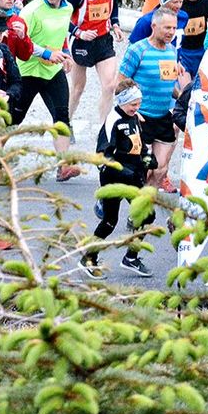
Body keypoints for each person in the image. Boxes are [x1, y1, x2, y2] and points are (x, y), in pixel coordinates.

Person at [84, 84, 154, 279]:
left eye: (139, 103)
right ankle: (89, 258)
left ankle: (131, 257)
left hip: (133, 177)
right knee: (110, 221)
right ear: (122, 102)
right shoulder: (113, 120)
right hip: (114, 178)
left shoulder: (134, 118)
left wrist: (147, 158)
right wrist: (122, 171)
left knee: (147, 216)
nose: (136, 108)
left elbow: (139, 145)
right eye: (133, 104)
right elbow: (102, 156)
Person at [14, 0, 78, 180]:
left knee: (62, 116)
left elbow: (62, 36)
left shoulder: (67, 8)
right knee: (14, 118)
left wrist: (66, 54)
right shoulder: (31, 11)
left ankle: (63, 166)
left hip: (52, 71)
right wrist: (48, 54)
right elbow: (22, 43)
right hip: (28, 71)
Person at [117, 8, 188, 184]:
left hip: (163, 117)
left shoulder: (172, 51)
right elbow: (120, 83)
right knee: (138, 168)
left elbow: (168, 83)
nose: (171, 32)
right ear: (154, 26)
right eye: (167, 28)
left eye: (174, 28)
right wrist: (131, 112)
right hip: (141, 116)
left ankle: (146, 199)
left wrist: (182, 98)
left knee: (160, 169)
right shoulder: (137, 50)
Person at [66, 0, 121, 128]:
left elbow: (113, 9)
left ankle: (104, 129)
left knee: (109, 86)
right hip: (81, 42)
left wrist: (116, 25)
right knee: (78, 88)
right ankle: (66, 121)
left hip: (103, 41)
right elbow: (62, 17)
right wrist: (79, 33)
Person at [0, 12, 22, 105]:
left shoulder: (3, 51)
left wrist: (7, 95)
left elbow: (16, 82)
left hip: (0, 109)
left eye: (1, 33)